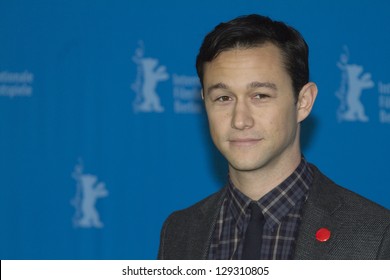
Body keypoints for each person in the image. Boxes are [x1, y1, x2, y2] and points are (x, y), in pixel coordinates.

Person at [158, 14, 390, 260]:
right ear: (204, 103)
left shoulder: (375, 235)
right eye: (223, 98)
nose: (240, 120)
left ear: (303, 102)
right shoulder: (180, 231)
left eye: (260, 96)